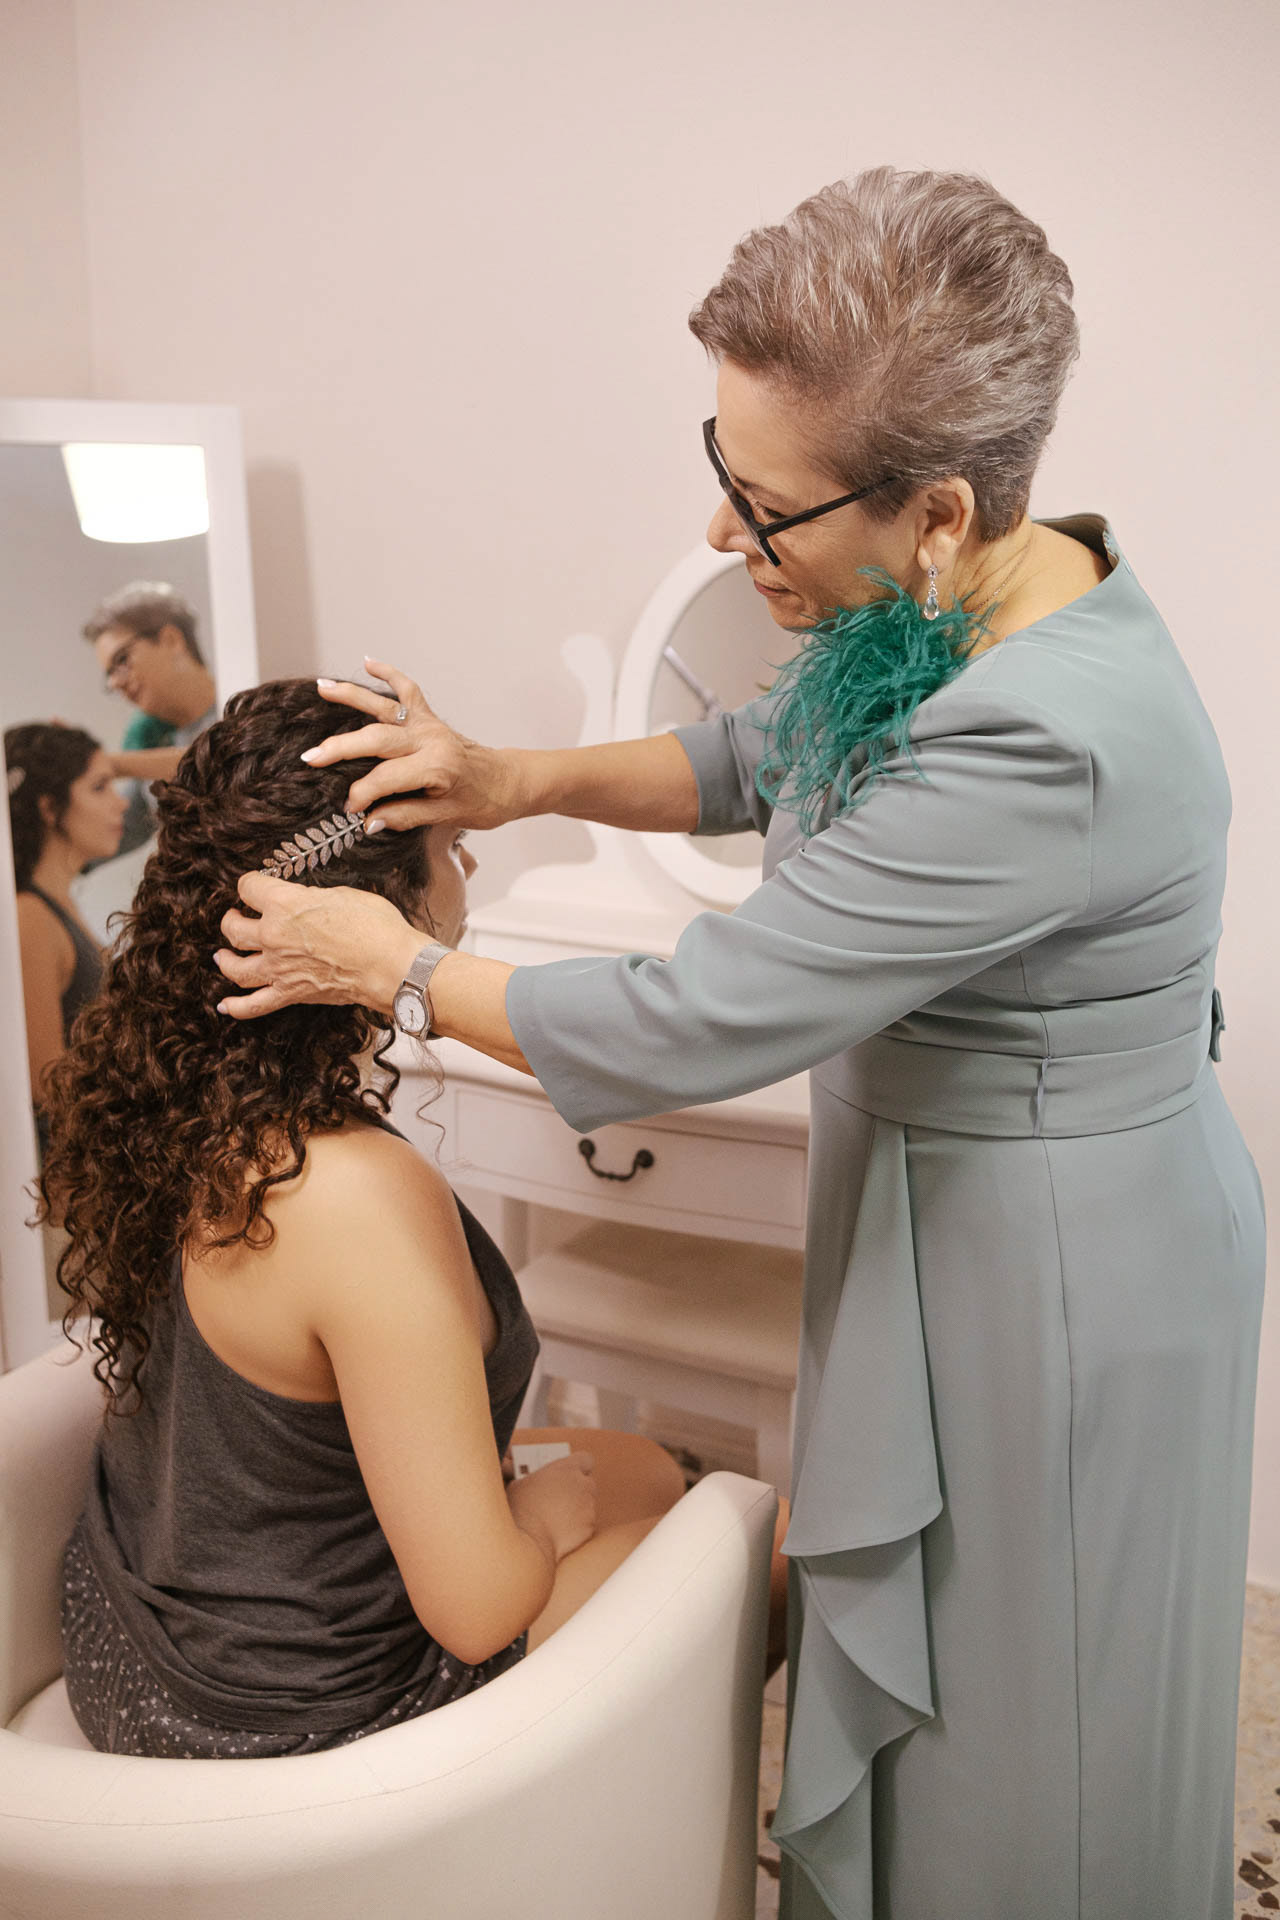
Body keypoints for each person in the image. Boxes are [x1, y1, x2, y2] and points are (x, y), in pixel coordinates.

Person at [213, 167, 1265, 1920]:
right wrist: (510, 777)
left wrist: (387, 961)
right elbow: (761, 755)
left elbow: (694, 1015)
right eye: (722, 474)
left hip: (1066, 1272)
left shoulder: (1043, 741)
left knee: (1039, 1725)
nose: (722, 540)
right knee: (954, 1705)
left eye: (762, 509)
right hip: (946, 1197)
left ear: (934, 511)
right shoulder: (964, 591)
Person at [39, 678, 705, 1760]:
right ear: (369, 910)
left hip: (132, 1631)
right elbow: (478, 1610)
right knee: (741, 1544)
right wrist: (534, 1525)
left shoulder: (171, 1098)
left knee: (636, 1465)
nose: (471, 865)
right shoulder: (350, 1197)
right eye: (449, 846)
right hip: (276, 1718)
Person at [4, 722, 124, 1123]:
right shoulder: (30, 917)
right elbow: (45, 1083)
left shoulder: (61, 903)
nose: (121, 803)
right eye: (99, 787)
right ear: (50, 808)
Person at [82, 580, 218, 854]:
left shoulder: (244, 707)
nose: (116, 683)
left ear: (171, 640)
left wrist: (106, 763)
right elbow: (124, 828)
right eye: (109, 674)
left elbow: (220, 763)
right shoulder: (144, 737)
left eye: (121, 660)